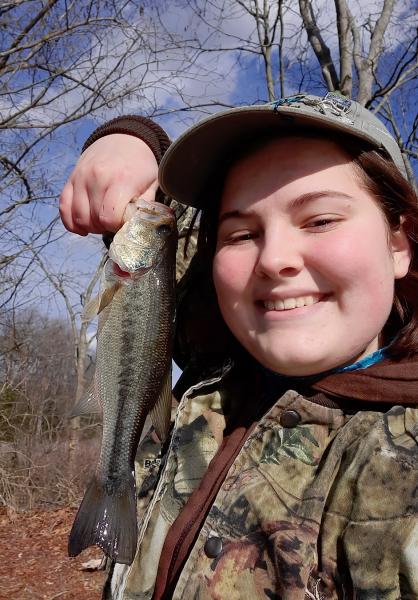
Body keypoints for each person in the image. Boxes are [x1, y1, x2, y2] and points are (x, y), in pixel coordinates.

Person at [60, 93, 418, 600]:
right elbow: (155, 263)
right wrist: (133, 141)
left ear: (399, 244)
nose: (274, 259)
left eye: (320, 220)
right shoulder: (211, 355)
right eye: (241, 233)